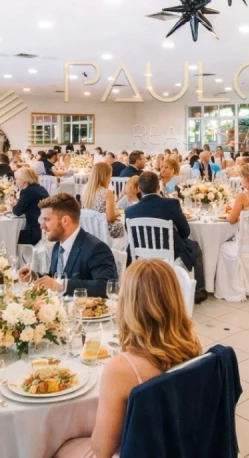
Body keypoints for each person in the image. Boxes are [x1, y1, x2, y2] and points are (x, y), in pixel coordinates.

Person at [54, 259, 203, 458]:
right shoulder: (191, 343)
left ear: (128, 303)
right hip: (179, 443)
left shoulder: (122, 368)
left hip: (141, 451)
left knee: (58, 447)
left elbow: (101, 450)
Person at [125, 172, 206, 301]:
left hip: (140, 253)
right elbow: (185, 232)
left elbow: (131, 235)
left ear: (139, 189)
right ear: (158, 187)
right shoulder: (171, 204)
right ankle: (197, 290)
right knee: (195, 246)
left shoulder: (130, 211)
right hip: (170, 252)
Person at [23, 193, 118, 298]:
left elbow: (106, 287)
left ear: (65, 221)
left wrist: (61, 285)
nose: (42, 226)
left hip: (82, 312)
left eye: (47, 219)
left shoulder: (96, 249)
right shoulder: (57, 246)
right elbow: (55, 278)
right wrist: (34, 277)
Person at [83, 162, 124, 246]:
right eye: (110, 176)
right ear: (105, 176)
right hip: (104, 229)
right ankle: (125, 256)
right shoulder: (107, 193)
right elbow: (110, 218)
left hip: (90, 228)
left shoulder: (85, 190)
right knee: (126, 225)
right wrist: (117, 213)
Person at [12, 167, 51, 246]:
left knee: (12, 236)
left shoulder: (27, 192)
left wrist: (12, 206)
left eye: (16, 179)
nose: (15, 181)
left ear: (24, 180)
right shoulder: (41, 188)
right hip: (45, 228)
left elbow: (17, 211)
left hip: (33, 231)